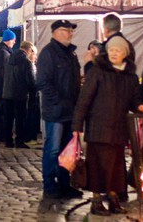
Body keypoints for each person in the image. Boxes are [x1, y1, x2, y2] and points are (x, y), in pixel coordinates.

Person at [71, 36, 143, 216]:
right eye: (112, 50)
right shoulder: (98, 72)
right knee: (98, 166)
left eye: (118, 50)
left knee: (116, 167)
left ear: (125, 54)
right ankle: (97, 201)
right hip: (98, 127)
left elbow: (134, 100)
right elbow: (84, 100)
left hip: (119, 129)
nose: (114, 53)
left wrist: (140, 106)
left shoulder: (130, 77)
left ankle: (114, 199)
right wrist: (77, 125)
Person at [36, 19, 82, 199]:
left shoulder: (71, 54)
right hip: (55, 111)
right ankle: (49, 185)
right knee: (53, 149)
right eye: (66, 30)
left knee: (66, 151)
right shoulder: (48, 53)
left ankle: (64, 184)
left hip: (70, 111)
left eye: (71, 30)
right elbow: (43, 82)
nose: (70, 33)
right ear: (55, 32)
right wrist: (59, 101)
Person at [0, 40, 36, 149]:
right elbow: (31, 80)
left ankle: (8, 141)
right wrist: (33, 90)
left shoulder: (8, 59)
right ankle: (19, 141)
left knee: (8, 119)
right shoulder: (26, 62)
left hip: (7, 93)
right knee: (20, 119)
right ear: (29, 50)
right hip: (20, 94)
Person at [0, 29, 16, 143]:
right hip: (3, 86)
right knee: (2, 111)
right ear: (9, 40)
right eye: (14, 40)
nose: (14, 42)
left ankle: (1, 135)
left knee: (1, 110)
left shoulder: (1, 51)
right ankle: (1, 135)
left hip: (1, 85)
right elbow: (3, 71)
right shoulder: (3, 53)